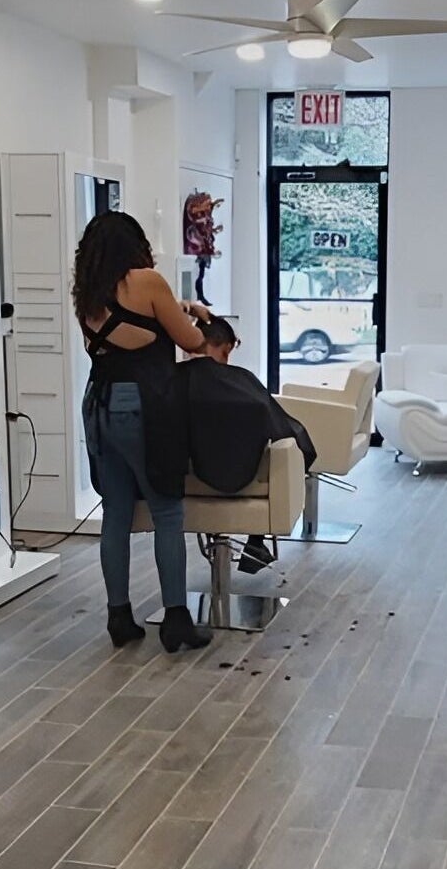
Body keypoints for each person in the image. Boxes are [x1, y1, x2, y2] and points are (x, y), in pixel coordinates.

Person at [74, 211, 214, 652]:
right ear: (134, 245)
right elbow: (191, 342)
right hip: (144, 407)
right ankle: (176, 619)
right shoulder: (148, 281)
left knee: (116, 510)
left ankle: (120, 617)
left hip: (98, 404)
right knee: (166, 511)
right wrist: (196, 315)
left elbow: (129, 331)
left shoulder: (88, 294)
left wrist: (181, 308)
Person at [179, 318, 314, 572]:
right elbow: (284, 431)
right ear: (223, 347)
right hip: (248, 481)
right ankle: (255, 540)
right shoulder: (242, 382)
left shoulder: (172, 381)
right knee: (290, 445)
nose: (227, 361)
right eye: (226, 354)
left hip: (185, 481)